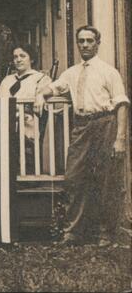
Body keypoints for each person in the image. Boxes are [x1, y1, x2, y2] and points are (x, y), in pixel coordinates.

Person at [35, 26, 129, 247]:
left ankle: (106, 234)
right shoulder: (72, 72)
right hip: (81, 126)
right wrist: (40, 95)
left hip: (105, 124)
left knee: (106, 179)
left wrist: (121, 138)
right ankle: (73, 232)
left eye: (89, 41)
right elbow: (54, 88)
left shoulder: (109, 71)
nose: (85, 45)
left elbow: (122, 104)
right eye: (81, 41)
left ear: (97, 43)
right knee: (74, 178)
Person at [0, 43, 52, 174]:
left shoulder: (41, 78)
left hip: (29, 124)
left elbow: (44, 97)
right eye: (15, 57)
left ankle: (29, 176)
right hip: (7, 122)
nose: (18, 60)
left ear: (31, 59)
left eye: (22, 56)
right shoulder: (7, 80)